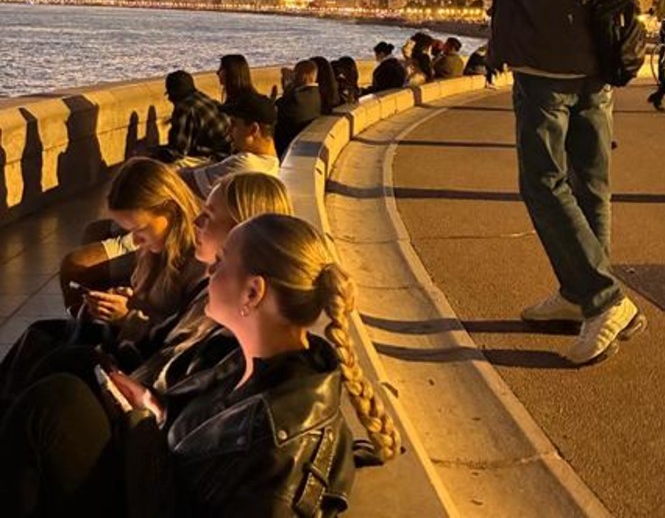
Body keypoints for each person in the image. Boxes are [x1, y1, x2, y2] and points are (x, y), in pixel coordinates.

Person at [0, 214, 401, 517]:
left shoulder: (282, 444)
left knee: (53, 404)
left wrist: (142, 425)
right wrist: (153, 407)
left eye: (223, 261)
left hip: (155, 499)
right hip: (158, 478)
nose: (209, 270)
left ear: (253, 291)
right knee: (73, 369)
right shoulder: (252, 357)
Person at [466, 0, 655, 366]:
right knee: (590, 182)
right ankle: (580, 295)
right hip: (601, 60)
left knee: (544, 182)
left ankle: (602, 297)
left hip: (547, 62)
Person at [2, 158, 205, 405]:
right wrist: (126, 299)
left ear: (171, 211)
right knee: (39, 334)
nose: (136, 241)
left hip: (146, 358)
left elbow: (181, 336)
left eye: (140, 230)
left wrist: (127, 317)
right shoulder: (154, 250)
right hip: (129, 338)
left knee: (62, 360)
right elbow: (151, 303)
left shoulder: (199, 260)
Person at [182, 89, 281, 199]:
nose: (229, 130)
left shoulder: (246, 164)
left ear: (253, 129)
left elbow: (182, 181)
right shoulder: (272, 164)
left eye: (234, 124)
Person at [153, 70, 232, 165]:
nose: (170, 100)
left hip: (219, 158)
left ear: (174, 94)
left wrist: (153, 152)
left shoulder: (185, 107)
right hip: (229, 152)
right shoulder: (202, 98)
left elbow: (178, 152)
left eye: (170, 96)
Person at [274, 59, 323, 157]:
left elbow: (276, 109)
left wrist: (287, 89)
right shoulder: (319, 94)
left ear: (303, 77)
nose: (293, 77)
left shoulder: (295, 99)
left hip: (285, 149)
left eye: (295, 74)